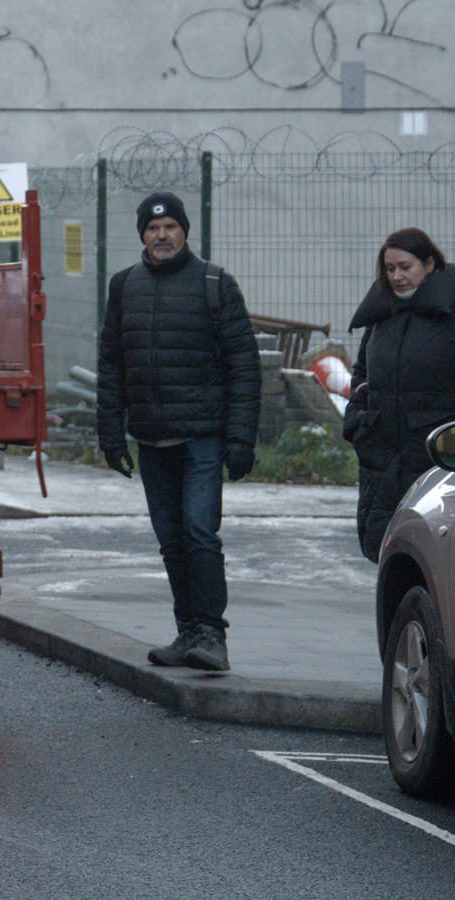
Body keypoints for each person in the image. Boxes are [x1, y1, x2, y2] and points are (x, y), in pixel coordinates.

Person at [97, 192, 261, 673]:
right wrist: (110, 434)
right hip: (151, 438)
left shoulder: (215, 284)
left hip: (203, 438)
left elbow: (243, 366)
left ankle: (211, 634)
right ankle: (187, 631)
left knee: (198, 533)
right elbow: (112, 364)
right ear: (142, 235)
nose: (161, 235)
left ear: (184, 231)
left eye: (170, 226)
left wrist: (240, 439)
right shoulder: (124, 286)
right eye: (152, 228)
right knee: (170, 538)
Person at [343, 228, 455, 562]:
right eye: (390, 269)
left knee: (438, 556)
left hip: (440, 457)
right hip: (383, 457)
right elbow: (362, 375)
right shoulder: (382, 316)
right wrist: (358, 422)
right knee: (389, 553)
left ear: (429, 263)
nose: (397, 276)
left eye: (405, 267)